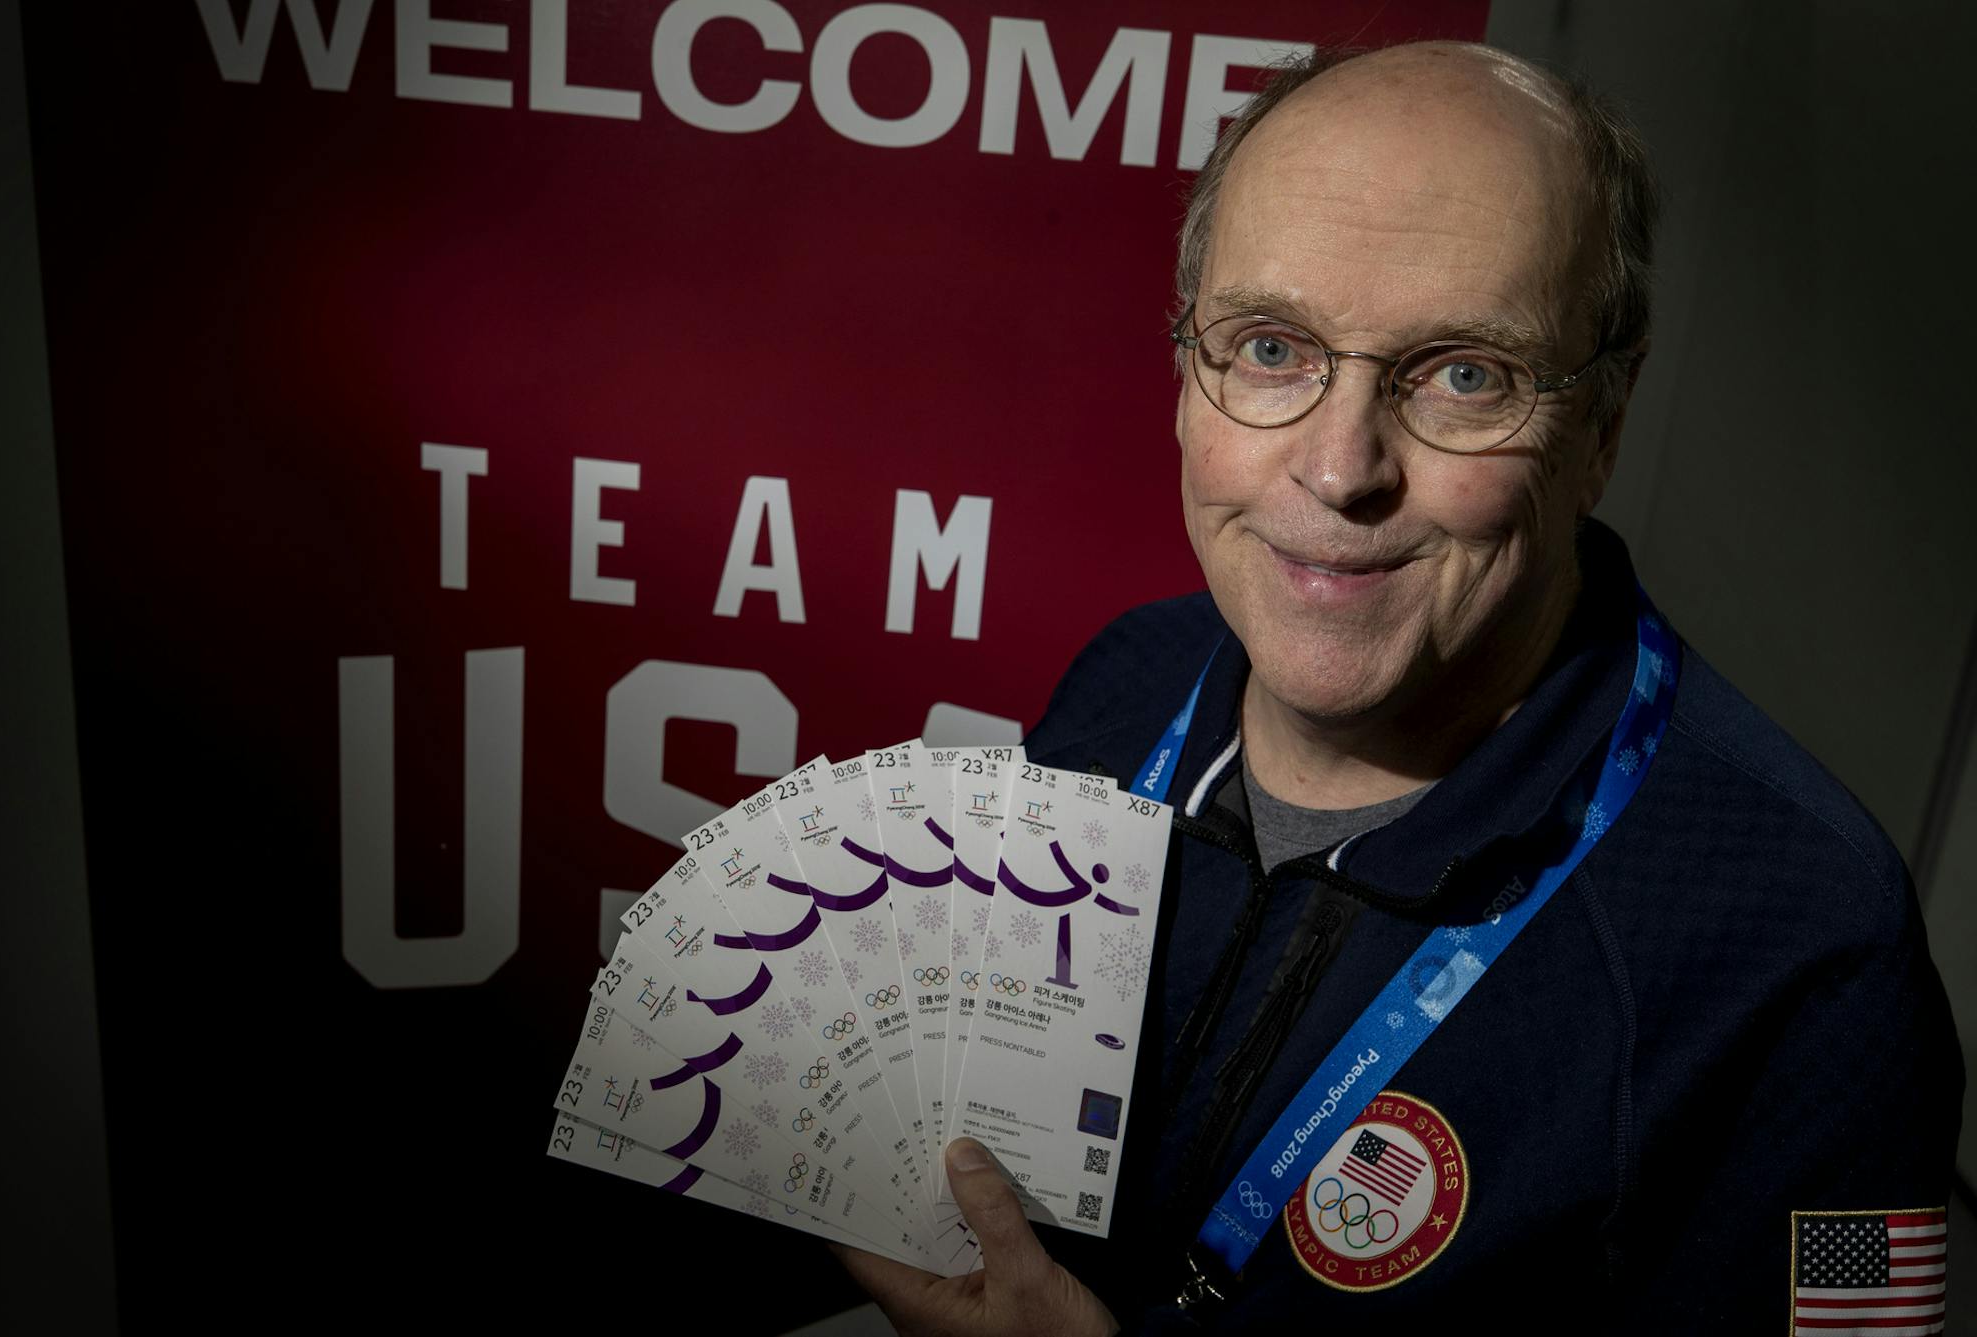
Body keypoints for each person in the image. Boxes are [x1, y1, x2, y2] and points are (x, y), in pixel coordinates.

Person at [835, 39, 1962, 1332]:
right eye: (1270, 347)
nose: (1341, 467)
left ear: (1603, 420)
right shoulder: (1123, 683)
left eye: (1464, 374)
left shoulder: (1814, 951)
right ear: (1187, 369)